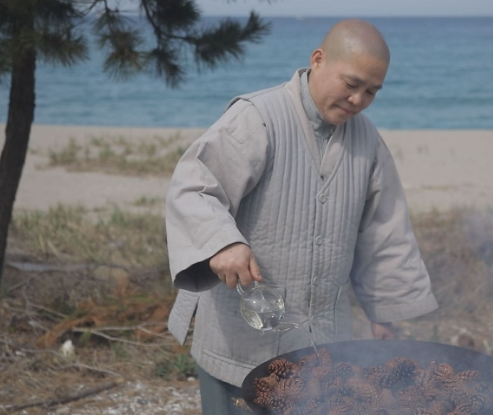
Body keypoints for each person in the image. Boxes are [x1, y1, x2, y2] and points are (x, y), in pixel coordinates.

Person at [165, 19, 438, 414]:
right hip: (240, 342)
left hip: (322, 351)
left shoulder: (369, 142)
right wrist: (222, 243)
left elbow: (384, 234)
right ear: (318, 60)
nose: (359, 99)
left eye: (371, 91)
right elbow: (194, 186)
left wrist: (386, 315)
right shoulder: (257, 117)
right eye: (352, 83)